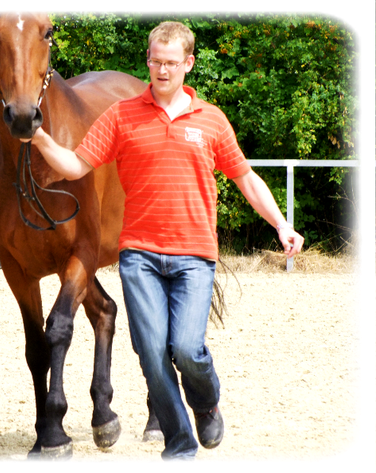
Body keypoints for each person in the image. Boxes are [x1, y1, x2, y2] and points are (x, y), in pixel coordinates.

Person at [22, 21, 304, 463]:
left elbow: (245, 178)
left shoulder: (211, 120)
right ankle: (180, 447)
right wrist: (37, 135)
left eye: (171, 62)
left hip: (195, 255)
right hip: (140, 257)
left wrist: (281, 224)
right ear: (148, 60)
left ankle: (207, 402)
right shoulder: (121, 115)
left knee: (187, 350)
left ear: (188, 63)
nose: (162, 70)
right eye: (155, 61)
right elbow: (75, 165)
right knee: (151, 354)